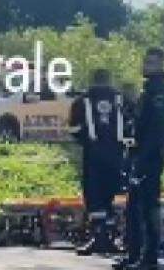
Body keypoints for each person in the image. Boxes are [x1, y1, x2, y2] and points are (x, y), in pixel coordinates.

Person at [117, 48, 164, 270]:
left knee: (147, 206)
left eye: (152, 62)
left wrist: (143, 159)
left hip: (150, 158)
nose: (146, 65)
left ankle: (149, 257)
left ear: (162, 65)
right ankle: (133, 255)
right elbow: (142, 124)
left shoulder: (161, 92)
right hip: (139, 155)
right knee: (133, 207)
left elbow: (158, 131)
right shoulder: (148, 90)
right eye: (146, 61)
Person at [70, 68, 126, 255]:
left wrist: (86, 141)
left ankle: (98, 237)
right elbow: (133, 122)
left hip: (93, 153)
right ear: (109, 79)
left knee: (94, 194)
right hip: (116, 154)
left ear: (92, 80)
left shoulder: (82, 100)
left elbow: (74, 128)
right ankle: (108, 237)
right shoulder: (121, 98)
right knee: (109, 194)